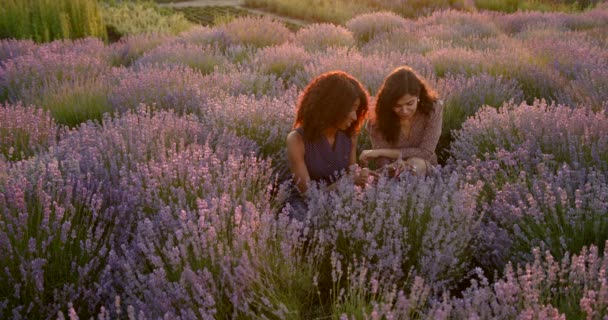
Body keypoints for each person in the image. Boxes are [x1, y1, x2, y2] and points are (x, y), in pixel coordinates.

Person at [285, 71, 371, 221]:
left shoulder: (349, 135)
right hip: (306, 206)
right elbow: (308, 194)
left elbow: (352, 172)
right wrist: (347, 181)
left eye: (357, 110)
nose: (355, 117)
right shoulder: (297, 139)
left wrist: (364, 176)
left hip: (342, 197)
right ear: (331, 107)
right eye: (350, 109)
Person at [359, 66, 443, 177]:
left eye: (410, 104)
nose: (404, 111)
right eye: (397, 105)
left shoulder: (433, 109)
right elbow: (382, 161)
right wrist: (389, 167)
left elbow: (425, 152)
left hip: (425, 168)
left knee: (414, 164)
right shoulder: (378, 120)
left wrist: (381, 152)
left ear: (418, 96)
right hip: (394, 171)